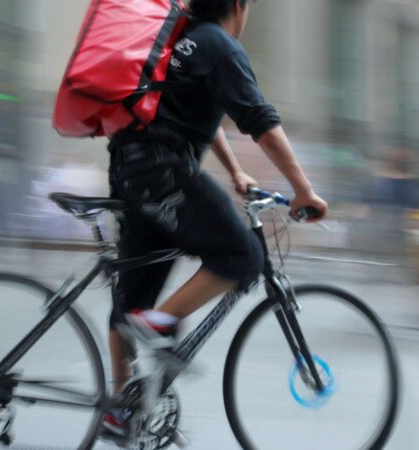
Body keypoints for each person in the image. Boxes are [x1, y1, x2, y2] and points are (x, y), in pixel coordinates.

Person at [100, 0, 328, 437]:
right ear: (239, 6)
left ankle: (119, 406)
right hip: (163, 171)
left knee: (132, 297)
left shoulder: (178, 41)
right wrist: (304, 190)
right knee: (240, 255)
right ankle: (160, 322)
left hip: (130, 172)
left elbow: (203, 113)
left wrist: (234, 170)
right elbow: (258, 120)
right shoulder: (220, 46)